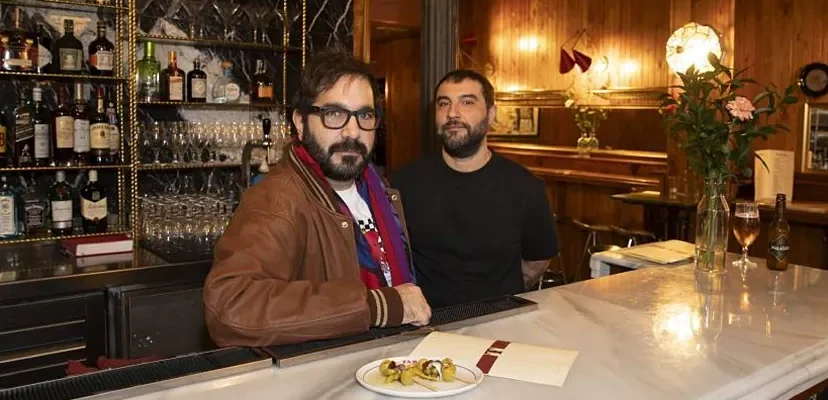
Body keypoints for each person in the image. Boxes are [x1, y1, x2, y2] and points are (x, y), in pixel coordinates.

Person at [203, 50, 431, 347]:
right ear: (300, 122)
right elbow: (230, 306)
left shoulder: (377, 189)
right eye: (334, 114)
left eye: (364, 115)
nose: (352, 131)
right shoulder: (279, 200)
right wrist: (377, 306)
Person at [392, 70, 559, 308]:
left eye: (467, 102)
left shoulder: (525, 187)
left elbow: (537, 261)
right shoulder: (404, 182)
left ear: (491, 115)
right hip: (427, 325)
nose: (452, 113)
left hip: (500, 320)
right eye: (444, 103)